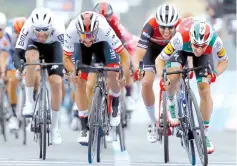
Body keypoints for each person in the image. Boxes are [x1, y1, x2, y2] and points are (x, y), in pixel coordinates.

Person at [156, 17, 228, 154]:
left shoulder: (215, 41)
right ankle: (171, 102)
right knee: (173, 76)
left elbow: (224, 61)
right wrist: (162, 78)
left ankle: (204, 133)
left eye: (203, 46)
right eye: (196, 45)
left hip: (203, 59)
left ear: (208, 42)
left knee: (205, 90)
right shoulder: (180, 38)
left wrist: (214, 74)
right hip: (181, 50)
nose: (199, 50)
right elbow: (159, 59)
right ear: (191, 39)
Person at [63, 11, 130, 145]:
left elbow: (124, 56)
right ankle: (84, 127)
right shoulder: (71, 31)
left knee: (113, 74)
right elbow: (66, 58)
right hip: (82, 49)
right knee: (80, 82)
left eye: (90, 35)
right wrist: (73, 72)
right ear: (78, 31)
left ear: (96, 30)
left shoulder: (104, 30)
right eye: (84, 35)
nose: (87, 39)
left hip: (103, 45)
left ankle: (115, 102)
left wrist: (124, 74)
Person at [13, 7, 65, 145]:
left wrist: (67, 69)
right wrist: (20, 67)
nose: (41, 35)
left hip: (54, 48)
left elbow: (69, 53)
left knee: (56, 82)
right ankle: (29, 102)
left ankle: (54, 128)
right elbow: (18, 53)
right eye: (38, 31)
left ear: (50, 27)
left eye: (45, 32)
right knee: (31, 58)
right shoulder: (28, 27)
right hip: (33, 46)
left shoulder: (59, 29)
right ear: (33, 27)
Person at [133, 4, 181, 143]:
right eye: (163, 27)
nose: (166, 31)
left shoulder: (180, 25)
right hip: (152, 50)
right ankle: (153, 122)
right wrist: (137, 68)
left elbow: (187, 49)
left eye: (170, 27)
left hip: (172, 50)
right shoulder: (149, 25)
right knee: (147, 82)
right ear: (157, 23)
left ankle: (179, 109)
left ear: (175, 24)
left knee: (175, 76)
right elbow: (140, 53)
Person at [93, 2, 136, 111]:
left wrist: (128, 63)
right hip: (97, 46)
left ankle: (128, 94)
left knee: (125, 68)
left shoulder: (115, 22)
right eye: (101, 19)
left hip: (114, 45)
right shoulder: (90, 21)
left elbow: (122, 42)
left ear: (111, 16)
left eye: (107, 18)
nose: (104, 22)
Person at [0, 17, 27, 131]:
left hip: (27, 58)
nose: (19, 35)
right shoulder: (8, 37)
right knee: (12, 81)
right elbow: (4, 56)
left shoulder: (31, 36)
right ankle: (13, 112)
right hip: (12, 60)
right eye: (17, 33)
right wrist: (2, 71)